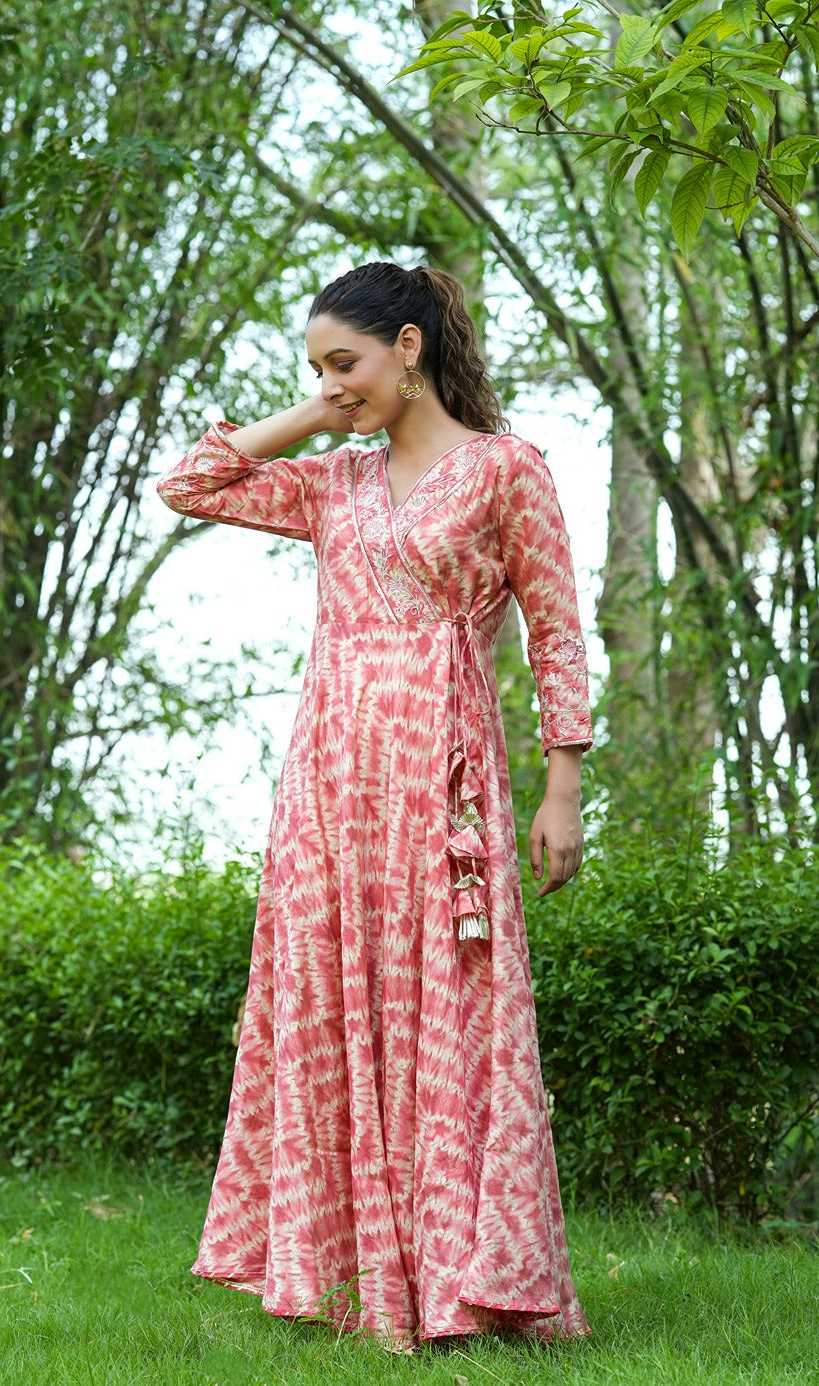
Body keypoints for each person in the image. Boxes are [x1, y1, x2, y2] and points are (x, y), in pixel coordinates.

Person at [157, 261, 592, 1351]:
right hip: (328, 780)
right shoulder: (333, 482)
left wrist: (564, 783)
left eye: (344, 361)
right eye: (315, 368)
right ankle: (355, 1280)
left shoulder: (506, 471)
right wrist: (317, 408)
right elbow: (189, 484)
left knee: (452, 1004)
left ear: (411, 347)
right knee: (330, 999)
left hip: (443, 772)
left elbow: (555, 630)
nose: (331, 384)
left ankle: (463, 1282)